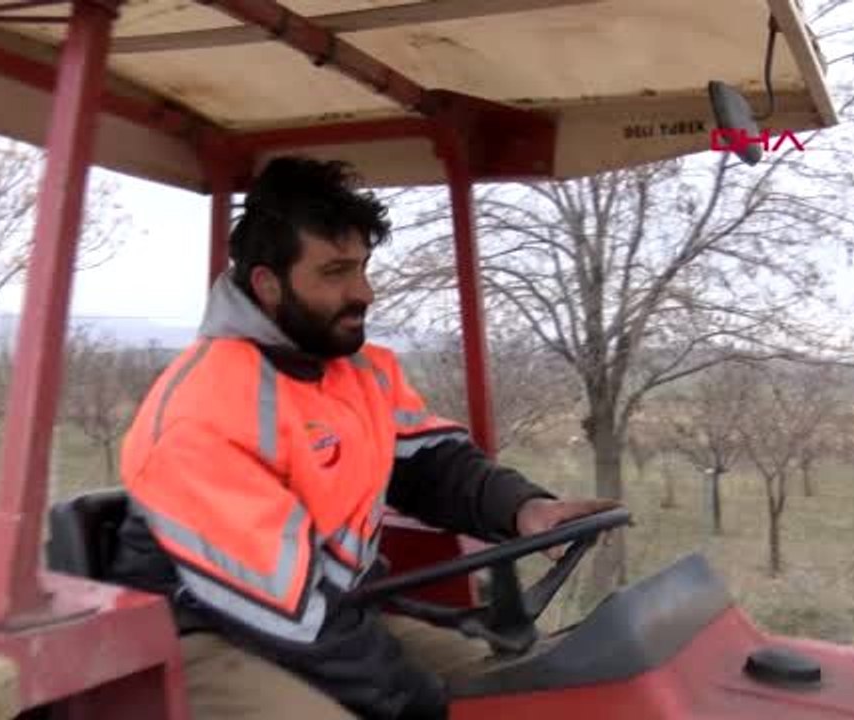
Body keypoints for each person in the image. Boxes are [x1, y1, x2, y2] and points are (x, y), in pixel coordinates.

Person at [109, 156, 620, 719]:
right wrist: (412, 699)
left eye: (362, 267)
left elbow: (429, 463)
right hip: (209, 635)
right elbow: (289, 610)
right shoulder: (202, 412)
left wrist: (523, 509)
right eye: (335, 273)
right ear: (268, 285)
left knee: (519, 688)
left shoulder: (354, 370)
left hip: (336, 613)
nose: (365, 292)